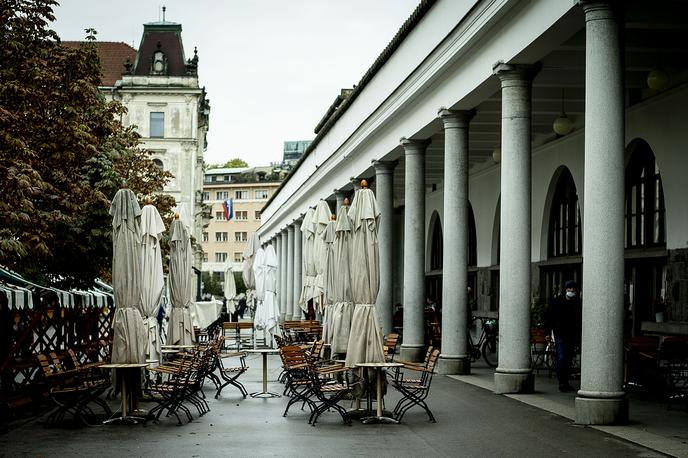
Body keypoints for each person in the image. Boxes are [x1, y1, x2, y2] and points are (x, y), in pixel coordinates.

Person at [544, 280, 582, 392]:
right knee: (562, 357)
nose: (571, 291)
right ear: (565, 290)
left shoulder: (578, 303)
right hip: (560, 333)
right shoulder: (557, 302)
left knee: (569, 358)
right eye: (569, 289)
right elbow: (549, 317)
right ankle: (562, 381)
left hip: (572, 334)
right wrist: (547, 332)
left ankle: (565, 381)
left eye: (573, 289)